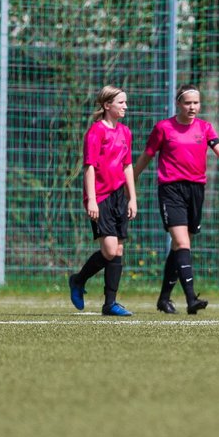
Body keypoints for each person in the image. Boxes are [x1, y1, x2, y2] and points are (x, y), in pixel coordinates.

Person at [133, 84, 219, 315]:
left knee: (181, 246)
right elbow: (146, 157)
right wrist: (129, 181)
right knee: (182, 244)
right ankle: (191, 299)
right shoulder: (163, 128)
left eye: (196, 103)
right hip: (171, 190)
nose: (192, 107)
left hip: (196, 191)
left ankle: (163, 299)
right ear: (178, 104)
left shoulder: (205, 127)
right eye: (187, 103)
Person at [68, 86, 137, 317]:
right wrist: (92, 201)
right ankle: (77, 280)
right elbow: (89, 168)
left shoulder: (125, 132)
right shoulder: (96, 132)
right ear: (107, 105)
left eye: (125, 102)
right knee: (108, 250)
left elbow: (127, 166)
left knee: (117, 249)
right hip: (101, 196)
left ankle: (110, 304)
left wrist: (132, 198)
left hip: (119, 196)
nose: (125, 106)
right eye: (121, 103)